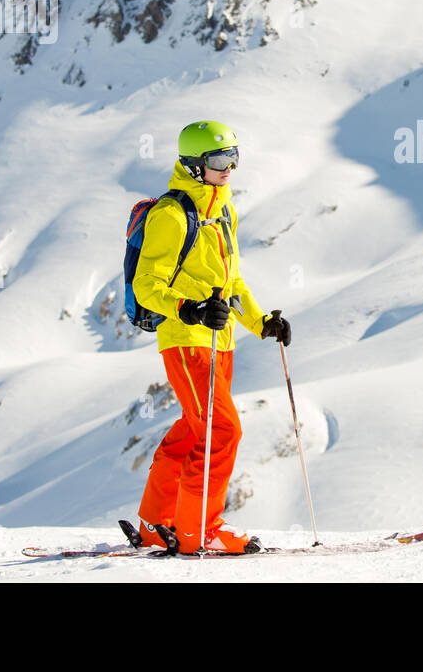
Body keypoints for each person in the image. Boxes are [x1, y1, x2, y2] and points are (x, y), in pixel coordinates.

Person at [132, 119, 292, 554]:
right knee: (222, 430)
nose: (229, 168)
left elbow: (232, 282)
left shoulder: (223, 211)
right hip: (186, 338)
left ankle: (154, 524)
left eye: (234, 158)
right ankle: (197, 531)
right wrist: (191, 308)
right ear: (193, 164)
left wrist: (261, 323)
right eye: (220, 160)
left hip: (220, 341)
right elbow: (147, 284)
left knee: (193, 428)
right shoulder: (170, 215)